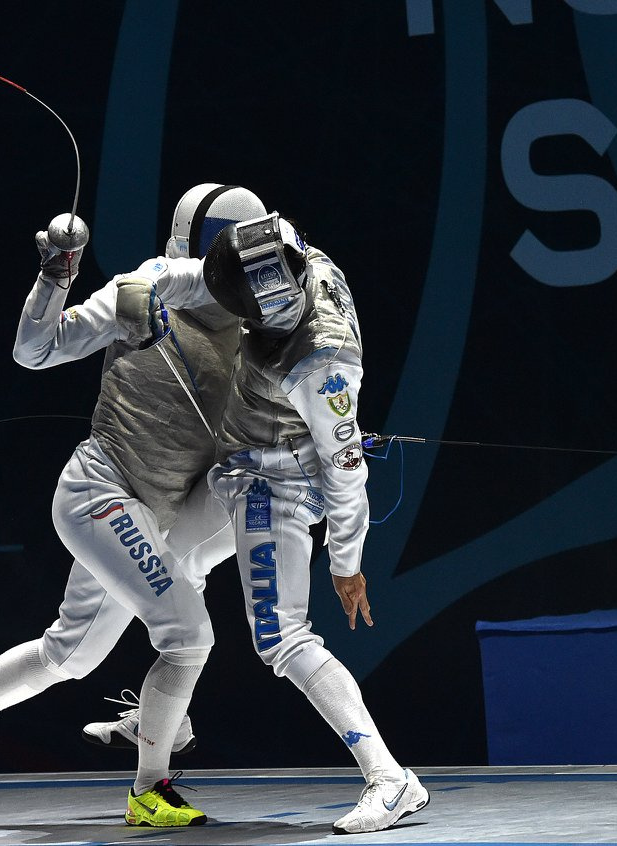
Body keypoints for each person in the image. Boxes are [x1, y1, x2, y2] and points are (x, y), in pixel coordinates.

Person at [0, 184, 267, 827]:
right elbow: (35, 350)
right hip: (101, 495)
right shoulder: (145, 291)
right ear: (208, 248)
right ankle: (150, 790)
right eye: (238, 248)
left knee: (67, 655)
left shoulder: (253, 325)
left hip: (149, 520)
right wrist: (54, 277)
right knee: (188, 636)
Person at [110, 211, 430, 834]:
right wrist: (146, 283)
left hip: (275, 485)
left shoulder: (323, 369)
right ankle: (172, 719)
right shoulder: (285, 256)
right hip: (239, 466)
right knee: (171, 569)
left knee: (281, 637)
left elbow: (346, 473)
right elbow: (206, 278)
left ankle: (391, 779)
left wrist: (346, 563)